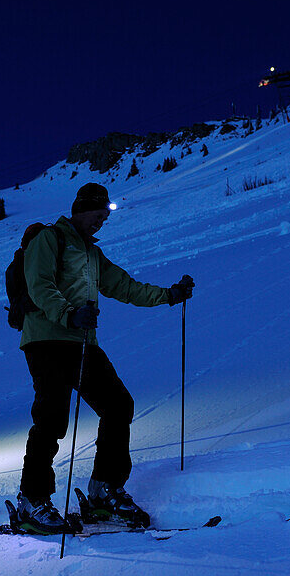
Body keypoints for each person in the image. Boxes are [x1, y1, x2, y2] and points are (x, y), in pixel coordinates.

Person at [15, 183, 194, 533]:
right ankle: (31, 500)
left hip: (82, 341)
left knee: (118, 405)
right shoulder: (50, 239)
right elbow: (39, 286)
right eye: (96, 216)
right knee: (51, 420)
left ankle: (103, 490)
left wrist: (170, 295)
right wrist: (69, 314)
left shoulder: (92, 254)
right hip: (47, 340)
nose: (100, 223)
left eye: (104, 218)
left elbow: (124, 286)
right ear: (80, 209)